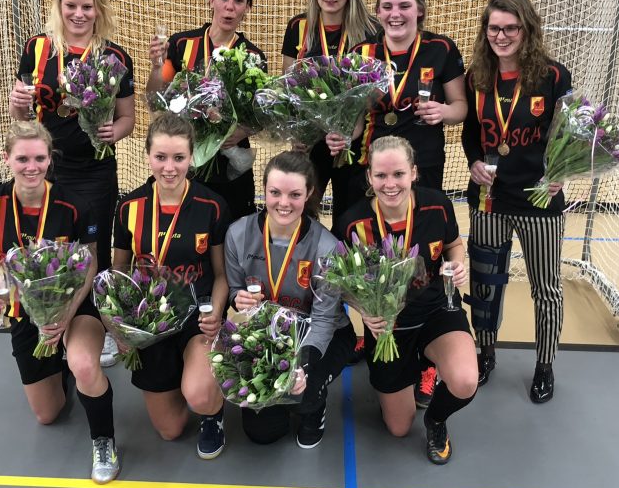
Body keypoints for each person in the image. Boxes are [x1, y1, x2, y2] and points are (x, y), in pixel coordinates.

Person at [331, 0, 469, 407]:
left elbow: (461, 107)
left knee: (421, 252)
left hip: (420, 168)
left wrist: (443, 111)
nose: (395, 14)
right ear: (377, 12)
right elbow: (355, 116)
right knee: (366, 258)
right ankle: (374, 329)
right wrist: (343, 136)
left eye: (404, 6)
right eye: (387, 6)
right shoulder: (362, 54)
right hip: (373, 167)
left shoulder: (440, 49)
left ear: (419, 10)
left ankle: (428, 357)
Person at [0, 121, 119, 484]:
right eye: (22, 159)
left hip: (76, 308)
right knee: (48, 414)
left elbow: (91, 264)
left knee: (84, 365)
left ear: (50, 159)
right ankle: (61, 368)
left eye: (39, 158)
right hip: (25, 313)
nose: (31, 167)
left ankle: (104, 440)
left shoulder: (74, 205)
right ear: (7, 158)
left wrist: (66, 315)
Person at [8, 0, 135, 368]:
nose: (78, 14)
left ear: (98, 9)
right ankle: (51, 321)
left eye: (86, 6)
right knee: (50, 249)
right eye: (71, 6)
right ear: (59, 7)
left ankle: (99, 327)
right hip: (47, 172)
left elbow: (128, 118)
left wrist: (114, 131)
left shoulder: (114, 57)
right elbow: (22, 117)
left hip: (95, 171)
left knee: (93, 251)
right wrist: (17, 104)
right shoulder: (38, 49)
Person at [334, 136, 478, 465]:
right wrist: (363, 311)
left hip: (435, 312)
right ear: (369, 177)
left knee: (465, 380)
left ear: (413, 172)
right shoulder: (352, 222)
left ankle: (436, 420)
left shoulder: (436, 205)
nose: (390, 184)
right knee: (398, 428)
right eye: (381, 175)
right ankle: (408, 370)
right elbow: (340, 283)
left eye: (398, 174)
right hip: (388, 328)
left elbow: (454, 245)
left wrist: (458, 264)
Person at [461, 0, 572, 403]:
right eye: (494, 28)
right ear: (485, 31)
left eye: (511, 28)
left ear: (527, 30)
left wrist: (561, 172)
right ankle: (485, 351)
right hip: (489, 199)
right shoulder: (476, 76)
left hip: (539, 201)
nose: (502, 36)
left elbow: (567, 134)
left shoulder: (553, 76)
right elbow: (470, 133)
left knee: (546, 288)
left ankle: (545, 364)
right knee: (486, 282)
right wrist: (474, 161)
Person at [112, 113, 231, 459]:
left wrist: (216, 311)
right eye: (160, 157)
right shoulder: (129, 207)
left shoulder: (212, 206)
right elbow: (118, 272)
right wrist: (120, 326)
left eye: (179, 157)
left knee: (199, 396)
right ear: (147, 155)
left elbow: (221, 274)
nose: (169, 168)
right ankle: (183, 378)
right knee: (170, 430)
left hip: (196, 318)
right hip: (151, 323)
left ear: (192, 157)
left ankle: (212, 413)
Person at [225, 151, 355, 448]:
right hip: (268, 335)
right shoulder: (238, 233)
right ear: (264, 190)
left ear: (309, 193)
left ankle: (314, 407)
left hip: (322, 335)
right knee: (261, 433)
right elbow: (234, 290)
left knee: (303, 394)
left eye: (294, 194)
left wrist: (302, 365)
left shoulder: (327, 246)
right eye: (275, 193)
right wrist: (237, 299)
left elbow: (324, 319)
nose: (283, 203)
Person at [146, 0, 265, 220]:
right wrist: (156, 67)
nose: (229, 7)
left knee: (231, 236)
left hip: (230, 169)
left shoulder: (253, 56)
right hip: (185, 165)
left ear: (247, 8)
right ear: (211, 0)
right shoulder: (181, 43)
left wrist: (240, 132)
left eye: (239, 1)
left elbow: (259, 116)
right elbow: (156, 100)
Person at [281, 0, 378, 223]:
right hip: (310, 144)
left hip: (354, 144)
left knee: (351, 221)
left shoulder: (371, 30)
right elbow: (288, 86)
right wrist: (295, 132)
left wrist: (353, 126)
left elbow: (375, 90)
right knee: (304, 218)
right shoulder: (299, 27)